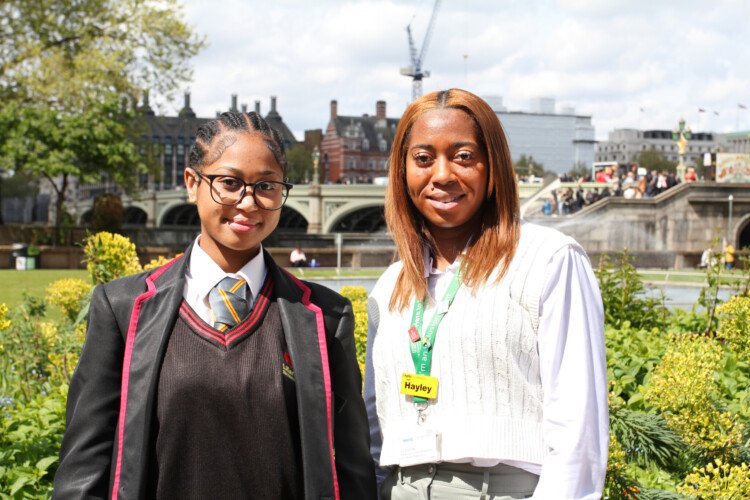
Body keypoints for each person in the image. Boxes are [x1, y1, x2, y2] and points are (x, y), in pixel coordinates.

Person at [54, 111, 376, 499]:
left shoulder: (325, 317)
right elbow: (84, 469)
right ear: (192, 184)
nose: (248, 202)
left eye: (266, 186)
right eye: (229, 182)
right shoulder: (122, 309)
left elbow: (352, 469)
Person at [364, 89, 608, 499]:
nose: (442, 174)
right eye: (423, 158)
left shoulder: (549, 260)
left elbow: (577, 433)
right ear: (402, 172)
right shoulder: (390, 286)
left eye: (463, 156)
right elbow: (375, 426)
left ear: (493, 166)